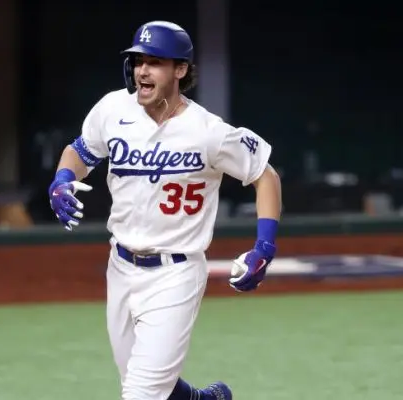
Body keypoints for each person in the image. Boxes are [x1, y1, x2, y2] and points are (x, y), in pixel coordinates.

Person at [47, 21, 283, 400]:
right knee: (150, 385)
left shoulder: (208, 131)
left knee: (141, 394)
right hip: (120, 267)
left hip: (176, 274)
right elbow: (80, 152)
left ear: (181, 70)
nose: (142, 70)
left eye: (155, 62)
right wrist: (61, 179)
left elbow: (265, 176)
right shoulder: (112, 109)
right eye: (138, 60)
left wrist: (264, 248)